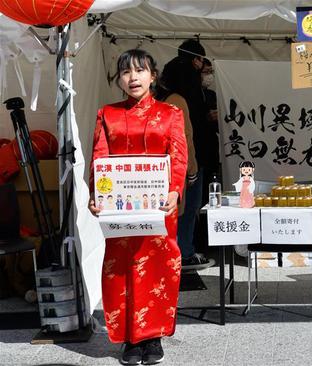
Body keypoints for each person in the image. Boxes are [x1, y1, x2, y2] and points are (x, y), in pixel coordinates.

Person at [88, 49, 187, 365]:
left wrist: (174, 191)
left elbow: (179, 156)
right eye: (126, 72)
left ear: (153, 75)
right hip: (121, 206)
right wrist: (96, 195)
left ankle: (154, 336)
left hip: (159, 206)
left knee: (158, 266)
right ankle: (130, 339)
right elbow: (99, 158)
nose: (133, 77)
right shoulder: (108, 114)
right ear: (119, 79)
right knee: (123, 266)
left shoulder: (170, 113)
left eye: (140, 70)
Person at [160, 40, 215, 269]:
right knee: (188, 207)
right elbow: (187, 137)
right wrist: (192, 168)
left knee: (180, 209)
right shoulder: (181, 99)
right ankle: (184, 251)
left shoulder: (167, 97)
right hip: (187, 163)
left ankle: (178, 249)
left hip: (173, 163)